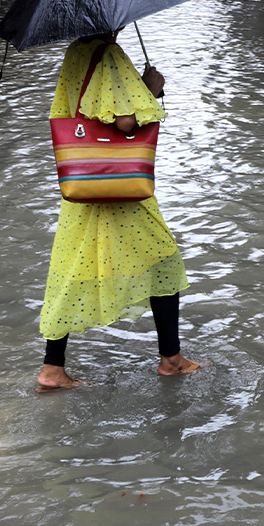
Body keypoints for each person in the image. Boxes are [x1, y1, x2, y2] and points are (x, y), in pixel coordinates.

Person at [35, 27, 198, 392]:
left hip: (84, 183)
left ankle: (52, 367)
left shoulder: (77, 52)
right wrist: (151, 89)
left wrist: (137, 86)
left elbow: (86, 108)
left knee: (72, 270)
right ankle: (171, 359)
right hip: (119, 187)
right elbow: (124, 121)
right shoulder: (109, 55)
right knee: (164, 261)